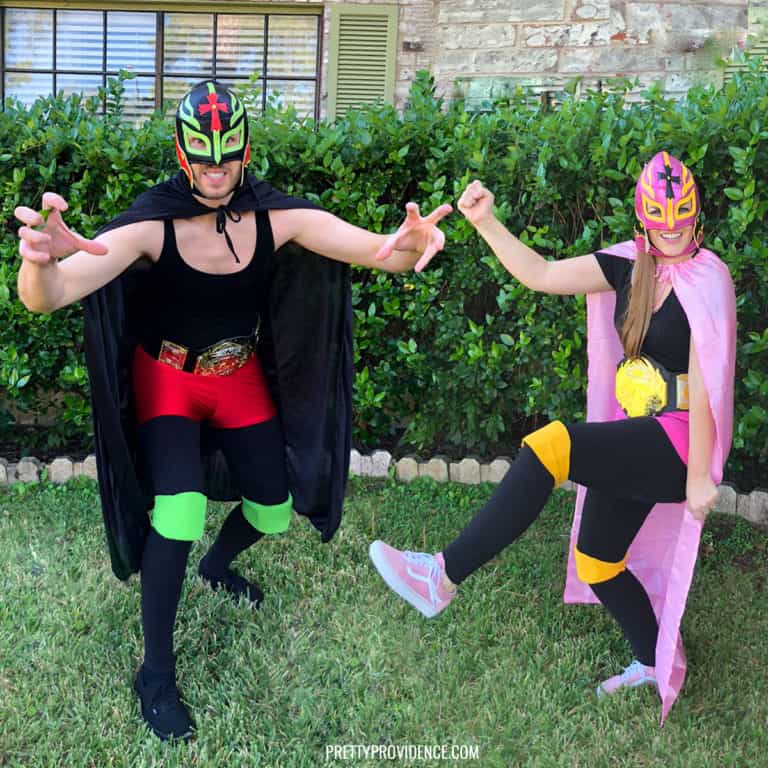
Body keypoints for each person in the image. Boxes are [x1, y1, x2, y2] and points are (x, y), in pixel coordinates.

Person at [15, 79, 451, 742]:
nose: (216, 170)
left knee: (274, 508)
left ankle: (217, 565)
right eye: (203, 157)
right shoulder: (151, 223)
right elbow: (48, 296)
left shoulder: (276, 216)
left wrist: (415, 243)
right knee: (179, 512)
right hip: (167, 379)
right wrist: (40, 262)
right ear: (183, 154)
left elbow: (381, 252)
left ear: (245, 152)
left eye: (227, 157)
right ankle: (155, 676)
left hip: (237, 374)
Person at [369, 151, 736, 721]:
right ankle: (652, 660)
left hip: (680, 442)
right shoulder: (628, 265)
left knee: (551, 444)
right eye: (661, 224)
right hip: (639, 433)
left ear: (697, 218)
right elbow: (540, 274)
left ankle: (441, 575)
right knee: (597, 560)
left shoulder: (708, 279)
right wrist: (486, 223)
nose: (672, 233)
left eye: (681, 222)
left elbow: (709, 380)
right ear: (642, 221)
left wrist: (696, 478)